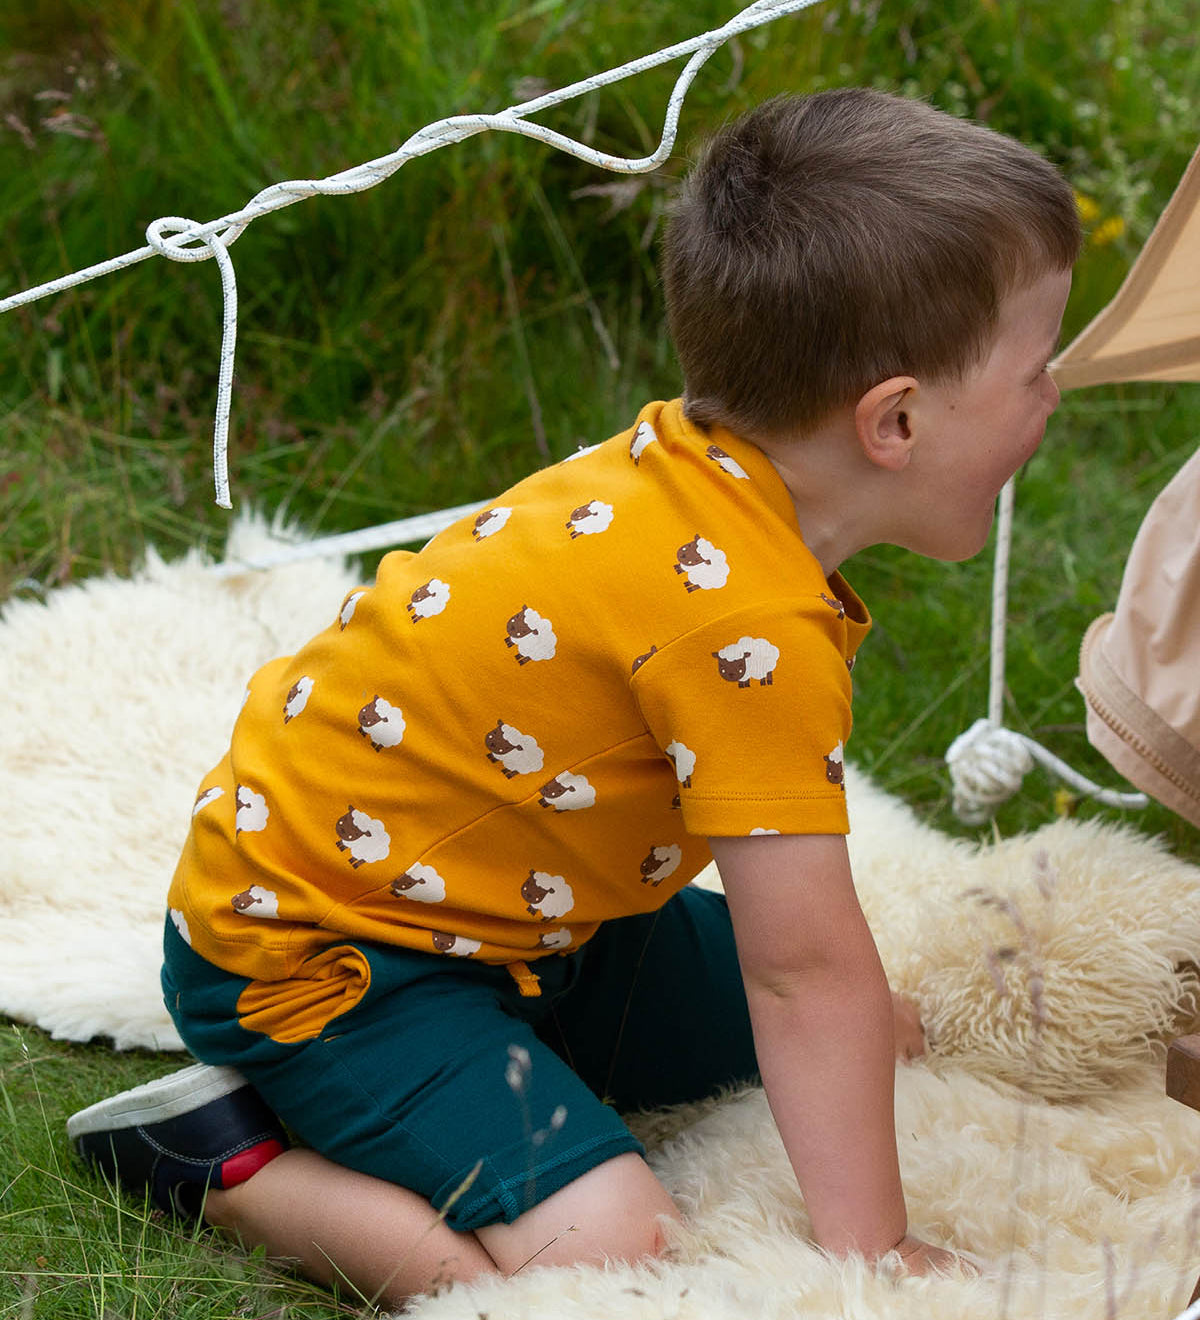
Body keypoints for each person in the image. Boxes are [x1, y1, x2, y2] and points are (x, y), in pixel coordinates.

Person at [67, 87, 1079, 1305]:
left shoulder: (703, 468)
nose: (1056, 397)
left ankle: (507, 1060)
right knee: (609, 1255)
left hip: (539, 928)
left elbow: (821, 983)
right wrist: (874, 1254)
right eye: (1038, 370)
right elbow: (800, 970)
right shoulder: (744, 624)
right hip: (328, 962)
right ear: (897, 419)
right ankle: (225, 1162)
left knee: (885, 1032)